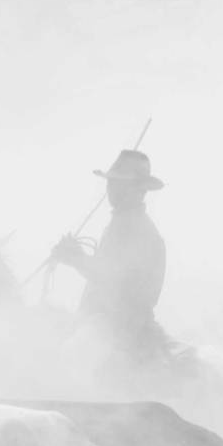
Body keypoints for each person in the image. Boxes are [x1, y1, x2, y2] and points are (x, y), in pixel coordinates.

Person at [49, 149, 170, 382]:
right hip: (103, 318)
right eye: (111, 183)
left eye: (120, 184)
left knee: (72, 356)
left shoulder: (140, 230)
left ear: (140, 189)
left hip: (124, 324)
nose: (112, 190)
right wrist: (77, 257)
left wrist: (76, 258)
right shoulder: (118, 225)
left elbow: (114, 278)